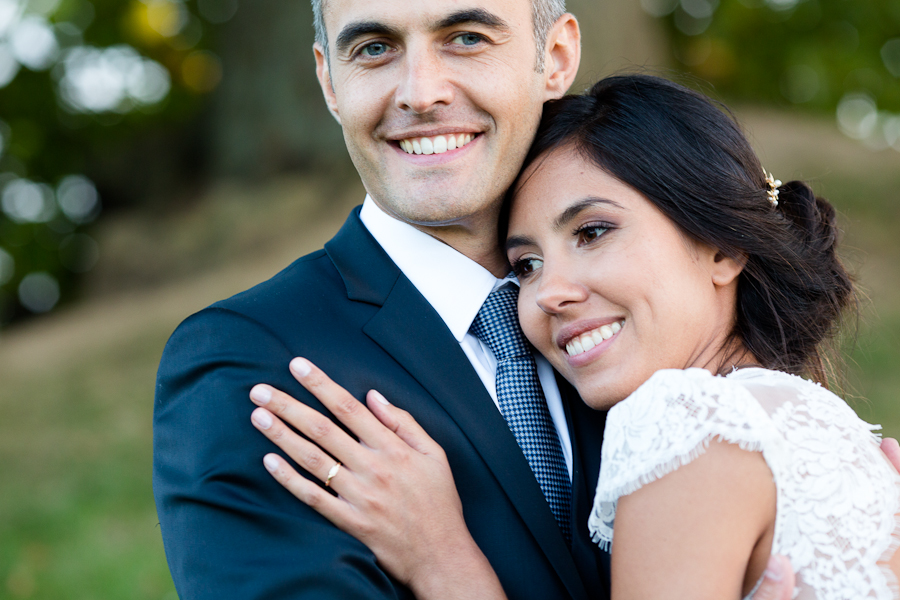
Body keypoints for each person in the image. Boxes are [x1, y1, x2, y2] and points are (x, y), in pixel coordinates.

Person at [154, 1, 813, 598]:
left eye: (465, 38)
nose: (420, 93)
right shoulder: (253, 362)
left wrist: (448, 568)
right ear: (330, 83)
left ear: (553, 58)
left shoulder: (650, 341)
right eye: (375, 49)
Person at [247, 75, 900, 599]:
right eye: (526, 264)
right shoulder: (813, 423)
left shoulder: (683, 420)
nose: (548, 292)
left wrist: (444, 560)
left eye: (592, 232)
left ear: (723, 247)